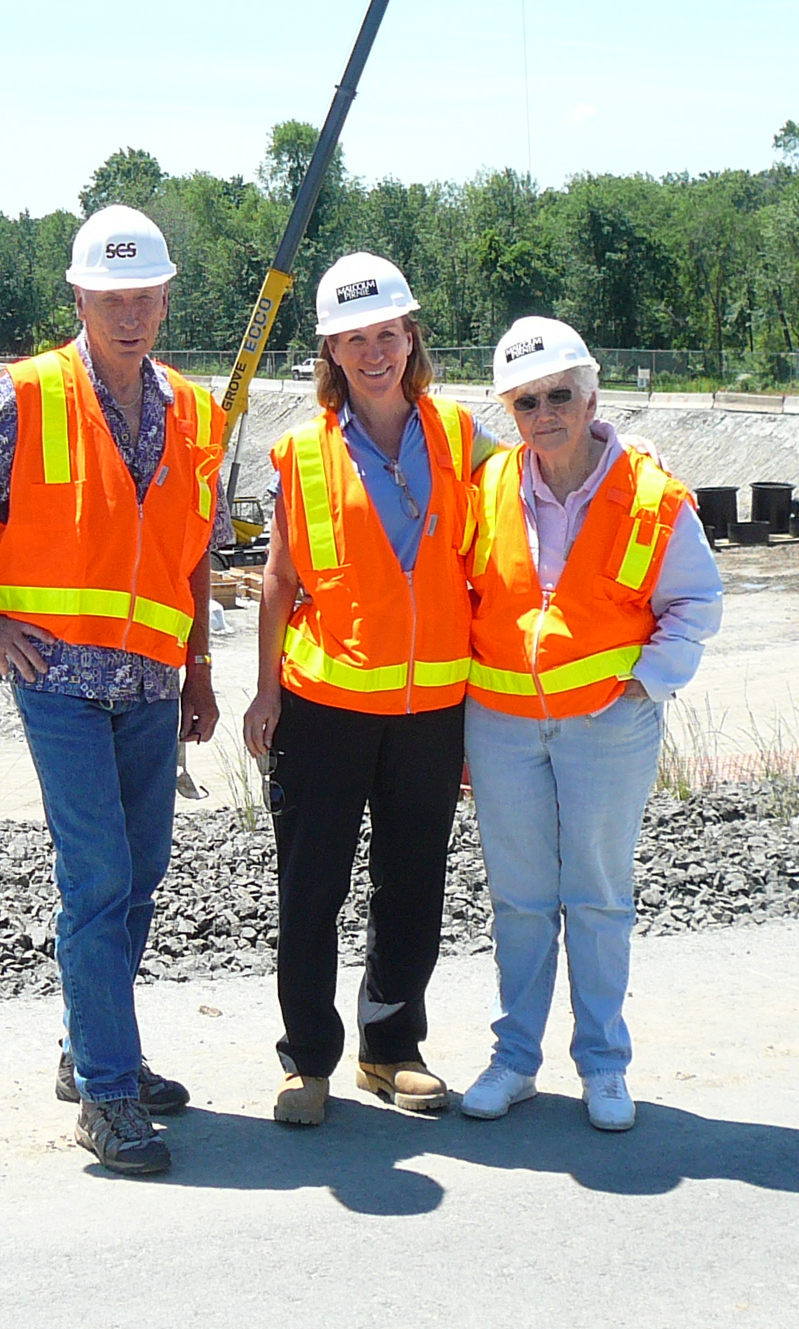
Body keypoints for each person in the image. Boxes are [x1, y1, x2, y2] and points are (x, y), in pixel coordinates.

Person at [0, 204, 229, 1177]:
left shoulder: (196, 414)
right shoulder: (28, 396)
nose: (128, 314)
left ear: (164, 298)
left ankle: (88, 1048)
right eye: (109, 297)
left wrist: (201, 669)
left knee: (140, 874)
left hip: (151, 683)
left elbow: (194, 554)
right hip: (55, 678)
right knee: (96, 877)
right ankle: (107, 1096)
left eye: (143, 296)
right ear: (79, 298)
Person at [241, 253, 500, 1127]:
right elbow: (279, 581)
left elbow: (521, 513)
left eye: (387, 333)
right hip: (326, 703)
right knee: (312, 886)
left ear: (409, 336)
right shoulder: (304, 452)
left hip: (432, 706)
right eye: (355, 339)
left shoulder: (461, 437)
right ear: (331, 351)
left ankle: (391, 1050)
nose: (375, 351)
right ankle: (306, 1060)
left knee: (412, 882)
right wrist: (264, 690)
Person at [457, 317, 722, 1133]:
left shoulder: (650, 496)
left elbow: (696, 604)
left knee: (599, 897)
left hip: (609, 727)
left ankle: (605, 1065)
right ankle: (515, 1061)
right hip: (502, 725)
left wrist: (645, 685)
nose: (546, 412)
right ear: (509, 410)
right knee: (522, 900)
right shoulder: (492, 486)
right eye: (527, 400)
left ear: (591, 393)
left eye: (560, 394)